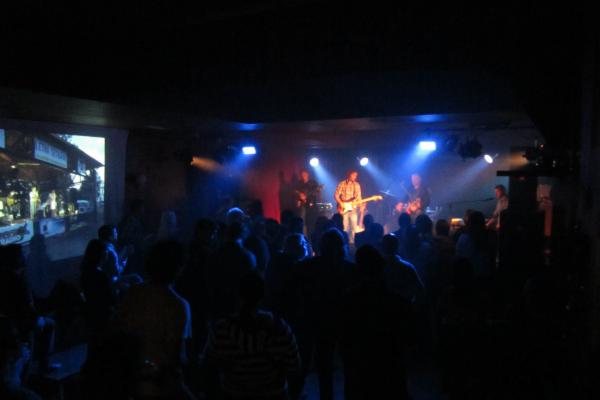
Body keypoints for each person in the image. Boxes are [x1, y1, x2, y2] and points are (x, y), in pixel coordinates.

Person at [113, 240, 193, 399]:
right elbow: (177, 356)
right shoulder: (178, 305)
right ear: (179, 268)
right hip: (159, 385)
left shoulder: (133, 293)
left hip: (129, 380)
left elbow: (117, 330)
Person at [204, 271, 301, 400]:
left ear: (238, 295)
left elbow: (209, 367)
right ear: (264, 295)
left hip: (233, 394)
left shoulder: (221, 329)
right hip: (274, 394)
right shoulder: (280, 328)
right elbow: (294, 367)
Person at [341, 245, 411, 399]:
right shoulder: (396, 301)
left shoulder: (349, 300)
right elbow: (408, 336)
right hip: (389, 367)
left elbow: (344, 336)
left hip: (359, 367)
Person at [295, 228, 356, 400]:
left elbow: (299, 291)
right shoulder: (349, 268)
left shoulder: (308, 266)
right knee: (349, 364)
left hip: (317, 319)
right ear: (341, 246)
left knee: (323, 365)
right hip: (343, 320)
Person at [381, 234, 425, 304]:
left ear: (382, 247)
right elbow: (419, 290)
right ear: (397, 246)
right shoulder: (407, 267)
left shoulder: (375, 267)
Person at [334, 170, 362, 245]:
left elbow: (359, 197)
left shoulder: (357, 185)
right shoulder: (342, 183)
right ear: (349, 174)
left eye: (356, 175)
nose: (355, 177)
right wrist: (341, 203)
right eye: (353, 175)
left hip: (353, 209)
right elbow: (336, 195)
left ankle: (352, 244)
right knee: (344, 228)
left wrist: (361, 205)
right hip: (344, 209)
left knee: (354, 228)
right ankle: (343, 243)